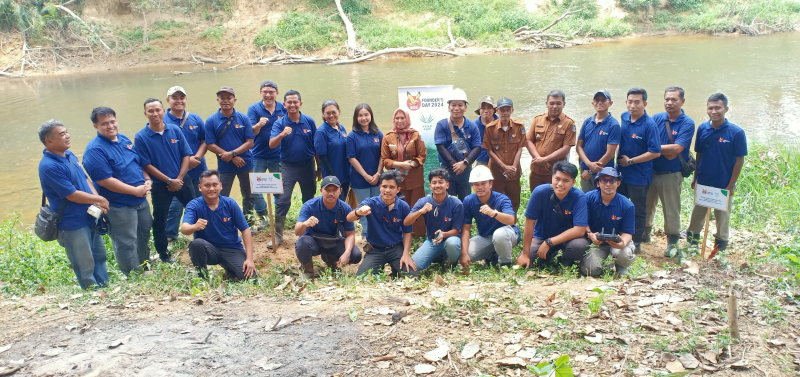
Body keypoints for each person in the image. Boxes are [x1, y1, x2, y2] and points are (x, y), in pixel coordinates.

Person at [38, 119, 110, 289]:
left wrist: (96, 197)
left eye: (67, 132)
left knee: (99, 256)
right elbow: (72, 195)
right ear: (49, 141)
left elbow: (84, 178)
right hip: (72, 223)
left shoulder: (68, 155)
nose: (67, 136)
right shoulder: (49, 166)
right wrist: (99, 199)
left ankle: (105, 290)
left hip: (90, 215)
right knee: (84, 262)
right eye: (62, 134)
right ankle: (92, 293)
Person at [83, 106, 152, 274]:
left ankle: (144, 266)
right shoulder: (95, 150)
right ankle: (132, 273)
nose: (110, 126)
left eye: (113, 121)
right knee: (125, 241)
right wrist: (134, 191)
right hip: (119, 205)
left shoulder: (123, 139)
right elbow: (105, 181)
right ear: (96, 126)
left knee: (143, 234)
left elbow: (138, 163)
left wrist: (147, 180)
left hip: (140, 200)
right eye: (104, 123)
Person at [686, 93, 747, 260]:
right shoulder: (703, 129)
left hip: (723, 184)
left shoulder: (736, 133)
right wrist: (695, 177)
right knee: (698, 215)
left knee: (722, 218)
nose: (714, 111)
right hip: (704, 182)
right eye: (710, 108)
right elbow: (699, 154)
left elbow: (739, 161)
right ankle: (692, 245)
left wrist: (731, 185)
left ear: (726, 109)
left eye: (718, 108)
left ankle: (719, 250)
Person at [135, 98, 194, 263]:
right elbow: (146, 164)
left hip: (183, 180)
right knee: (160, 219)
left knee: (196, 210)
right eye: (150, 111)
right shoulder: (141, 137)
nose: (155, 114)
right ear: (145, 113)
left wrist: (180, 178)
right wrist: (169, 180)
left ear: (163, 111)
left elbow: (186, 154)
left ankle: (205, 242)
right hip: (160, 185)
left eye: (157, 110)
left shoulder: (174, 129)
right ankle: (163, 254)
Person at [645, 86, 696, 258]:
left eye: (674, 99)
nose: (669, 102)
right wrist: (656, 150)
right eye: (667, 99)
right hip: (651, 171)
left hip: (671, 174)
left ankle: (672, 242)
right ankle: (645, 234)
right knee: (647, 205)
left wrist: (653, 149)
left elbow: (676, 148)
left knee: (671, 209)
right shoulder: (656, 118)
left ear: (682, 101)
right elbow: (646, 139)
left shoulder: (687, 123)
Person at [181, 169, 256, 280]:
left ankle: (230, 270)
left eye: (215, 185)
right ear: (200, 188)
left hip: (232, 248)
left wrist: (249, 259)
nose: (211, 189)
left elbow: (245, 230)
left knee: (251, 278)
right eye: (207, 185)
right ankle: (203, 277)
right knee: (196, 244)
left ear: (220, 186)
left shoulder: (230, 203)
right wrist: (194, 226)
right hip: (210, 250)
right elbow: (184, 228)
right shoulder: (194, 205)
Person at [269, 90, 320, 249]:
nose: (292, 105)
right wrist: (282, 134)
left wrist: (319, 168)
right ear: (284, 105)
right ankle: (277, 235)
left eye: (295, 102)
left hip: (307, 165)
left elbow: (316, 146)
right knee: (283, 200)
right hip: (287, 166)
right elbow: (272, 144)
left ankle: (309, 230)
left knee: (309, 199)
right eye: (289, 102)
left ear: (300, 104)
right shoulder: (280, 123)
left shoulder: (309, 121)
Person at [616, 88, 663, 254]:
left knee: (638, 210)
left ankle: (636, 243)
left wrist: (631, 161)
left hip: (639, 175)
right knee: (619, 205)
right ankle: (619, 237)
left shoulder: (649, 125)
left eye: (637, 102)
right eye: (630, 101)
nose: (633, 105)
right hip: (621, 173)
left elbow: (655, 151)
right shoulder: (623, 117)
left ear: (645, 103)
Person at [516, 161, 588, 268]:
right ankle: (547, 255)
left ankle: (564, 260)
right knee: (527, 261)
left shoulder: (579, 196)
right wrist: (525, 254)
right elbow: (529, 223)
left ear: (573, 182)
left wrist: (550, 242)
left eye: (566, 180)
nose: (560, 184)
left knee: (580, 245)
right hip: (542, 236)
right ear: (552, 177)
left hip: (568, 239)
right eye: (557, 179)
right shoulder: (540, 192)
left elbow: (580, 230)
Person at [347, 170, 417, 276]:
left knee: (412, 276)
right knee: (363, 278)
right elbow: (349, 218)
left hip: (396, 248)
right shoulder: (371, 203)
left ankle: (395, 270)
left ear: (398, 189)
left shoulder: (403, 206)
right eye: (384, 186)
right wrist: (358, 212)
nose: (387, 190)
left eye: (392, 187)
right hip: (375, 249)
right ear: (380, 187)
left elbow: (407, 232)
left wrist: (406, 254)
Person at [204, 86, 256, 228]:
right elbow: (210, 144)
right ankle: (224, 222)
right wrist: (231, 157)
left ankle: (249, 223)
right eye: (223, 98)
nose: (226, 100)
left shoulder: (243, 118)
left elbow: (250, 142)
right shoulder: (211, 120)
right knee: (222, 195)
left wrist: (233, 153)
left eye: (229, 98)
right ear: (218, 100)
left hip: (245, 163)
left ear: (234, 100)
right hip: (225, 166)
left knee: (249, 195)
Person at [570, 167, 636, 277]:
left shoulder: (627, 205)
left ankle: (621, 266)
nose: (608, 184)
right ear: (598, 183)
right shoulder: (588, 198)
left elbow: (628, 232)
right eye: (604, 180)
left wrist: (622, 243)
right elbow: (582, 222)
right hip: (597, 242)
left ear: (618, 183)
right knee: (590, 270)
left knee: (624, 254)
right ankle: (605, 265)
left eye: (612, 180)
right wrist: (590, 234)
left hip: (617, 240)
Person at [294, 176, 362, 279]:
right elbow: (297, 231)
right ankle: (307, 273)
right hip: (313, 241)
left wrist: (347, 253)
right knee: (302, 243)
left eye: (334, 190)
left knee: (355, 255)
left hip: (332, 241)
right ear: (321, 190)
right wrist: (305, 224)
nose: (331, 193)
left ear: (340, 190)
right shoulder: (309, 205)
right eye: (327, 190)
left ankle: (331, 261)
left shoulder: (345, 208)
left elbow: (350, 234)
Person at [163, 86, 207, 242]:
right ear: (168, 100)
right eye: (174, 98)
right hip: (176, 173)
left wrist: (197, 158)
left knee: (201, 202)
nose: (179, 101)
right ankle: (170, 237)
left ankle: (202, 233)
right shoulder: (162, 120)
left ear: (186, 99)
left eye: (182, 97)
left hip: (198, 169)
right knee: (174, 207)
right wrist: (187, 163)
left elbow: (204, 141)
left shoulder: (195, 119)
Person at [459, 165, 520, 268]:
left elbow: (511, 220)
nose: (480, 187)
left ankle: (505, 264)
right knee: (466, 253)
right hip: (485, 236)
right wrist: (464, 254)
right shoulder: (468, 200)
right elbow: (466, 228)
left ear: (490, 184)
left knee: (499, 235)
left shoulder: (501, 199)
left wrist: (493, 213)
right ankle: (492, 255)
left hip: (507, 234)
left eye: (483, 183)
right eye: (476, 184)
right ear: (472, 186)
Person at [405, 169, 463, 272]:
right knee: (412, 268)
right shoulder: (423, 202)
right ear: (430, 186)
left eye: (441, 182)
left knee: (452, 244)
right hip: (432, 241)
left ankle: (453, 262)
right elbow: (407, 222)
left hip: (450, 239)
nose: (437, 185)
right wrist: (421, 211)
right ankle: (439, 257)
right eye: (434, 183)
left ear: (447, 185)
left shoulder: (456, 203)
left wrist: (443, 234)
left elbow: (456, 231)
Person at [382, 108, 427, 238]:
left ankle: (418, 234)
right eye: (397, 118)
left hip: (415, 178)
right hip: (397, 179)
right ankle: (399, 234)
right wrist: (400, 165)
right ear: (393, 120)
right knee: (398, 206)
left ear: (407, 119)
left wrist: (410, 165)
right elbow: (385, 160)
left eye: (402, 118)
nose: (400, 121)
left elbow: (422, 156)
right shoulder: (388, 137)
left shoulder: (416, 135)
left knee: (417, 205)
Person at [248, 80, 286, 226]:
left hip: (278, 154)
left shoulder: (283, 107)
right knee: (255, 189)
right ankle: (263, 217)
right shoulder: (254, 109)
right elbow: (251, 132)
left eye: (271, 92)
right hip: (258, 155)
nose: (268, 95)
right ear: (260, 93)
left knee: (279, 188)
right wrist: (258, 124)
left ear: (277, 93)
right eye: (265, 92)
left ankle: (278, 218)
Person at [434, 88, 481, 200]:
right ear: (448, 107)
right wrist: (454, 164)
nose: (456, 108)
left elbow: (477, 146)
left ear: (465, 107)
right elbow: (440, 146)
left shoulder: (472, 126)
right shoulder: (442, 125)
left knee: (466, 199)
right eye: (453, 105)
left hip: (465, 169)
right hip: (447, 169)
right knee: (448, 200)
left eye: (460, 105)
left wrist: (465, 163)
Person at [526, 90, 576, 191]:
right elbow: (528, 141)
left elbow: (566, 148)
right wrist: (539, 159)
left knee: (554, 200)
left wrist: (545, 160)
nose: (555, 106)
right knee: (536, 198)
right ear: (546, 104)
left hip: (556, 173)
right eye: (552, 103)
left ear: (564, 104)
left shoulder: (569, 123)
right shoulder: (537, 120)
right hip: (537, 170)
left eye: (558, 103)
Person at [347, 103, 384, 241]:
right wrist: (366, 175)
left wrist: (378, 174)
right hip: (359, 178)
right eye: (360, 115)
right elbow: (351, 158)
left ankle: (378, 232)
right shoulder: (352, 136)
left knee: (377, 205)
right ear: (356, 118)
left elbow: (382, 155)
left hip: (377, 177)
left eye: (366, 114)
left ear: (371, 116)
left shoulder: (378, 133)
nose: (364, 118)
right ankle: (366, 234)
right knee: (363, 206)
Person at [482, 97, 525, 213]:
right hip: (496, 172)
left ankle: (512, 225)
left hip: (513, 172)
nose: (505, 113)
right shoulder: (490, 128)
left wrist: (513, 167)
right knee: (495, 200)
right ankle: (496, 226)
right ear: (497, 111)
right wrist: (504, 167)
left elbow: (520, 149)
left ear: (512, 110)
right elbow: (489, 151)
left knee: (514, 200)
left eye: (508, 110)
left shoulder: (519, 127)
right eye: (502, 110)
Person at [576, 90, 620, 192]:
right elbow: (579, 146)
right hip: (585, 171)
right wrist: (588, 165)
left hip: (604, 173)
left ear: (610, 103)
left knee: (602, 201)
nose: (600, 102)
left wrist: (591, 171)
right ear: (593, 103)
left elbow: (610, 153)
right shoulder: (587, 122)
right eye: (597, 100)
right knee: (587, 199)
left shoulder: (613, 124)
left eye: (603, 100)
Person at [315, 100, 351, 200]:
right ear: (323, 114)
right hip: (332, 176)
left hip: (345, 173)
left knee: (343, 202)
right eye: (328, 113)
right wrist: (334, 178)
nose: (331, 115)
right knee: (335, 202)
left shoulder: (342, 127)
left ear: (339, 112)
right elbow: (322, 157)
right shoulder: (321, 132)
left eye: (334, 112)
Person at [473, 95, 498, 167]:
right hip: (480, 162)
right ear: (479, 110)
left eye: (489, 108)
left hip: (499, 161)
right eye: (483, 108)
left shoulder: (501, 123)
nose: (486, 111)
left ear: (494, 110)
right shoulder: (474, 125)